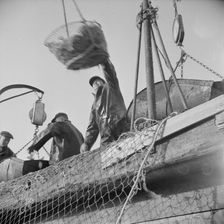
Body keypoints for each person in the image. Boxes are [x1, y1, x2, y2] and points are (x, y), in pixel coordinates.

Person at [80, 59, 128, 153]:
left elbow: (110, 74)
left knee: (128, 152)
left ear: (104, 82)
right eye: (93, 84)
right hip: (106, 137)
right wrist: (87, 143)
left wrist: (104, 62)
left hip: (121, 128)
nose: (96, 83)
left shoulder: (111, 87)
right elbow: (92, 126)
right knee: (108, 161)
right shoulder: (94, 106)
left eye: (98, 81)